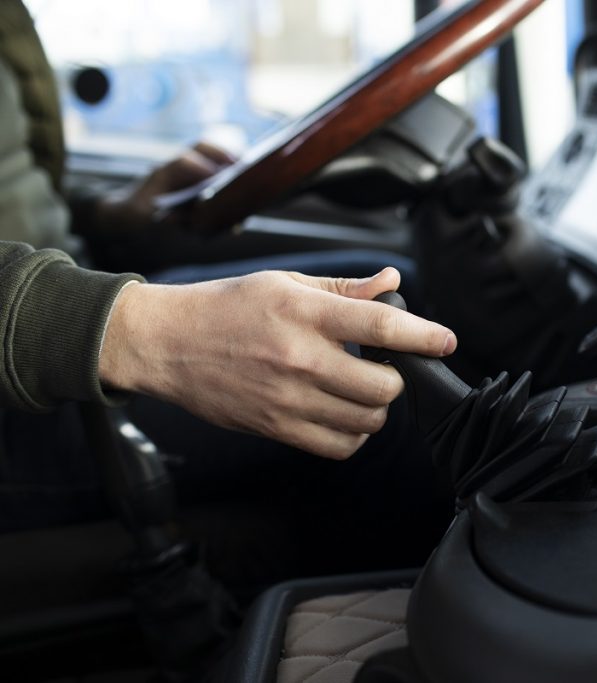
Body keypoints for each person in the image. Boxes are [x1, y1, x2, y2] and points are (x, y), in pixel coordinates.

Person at [0, 1, 456, 588]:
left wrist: (108, 215)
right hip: (20, 398)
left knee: (394, 292)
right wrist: (141, 333)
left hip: (51, 306)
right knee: (383, 408)